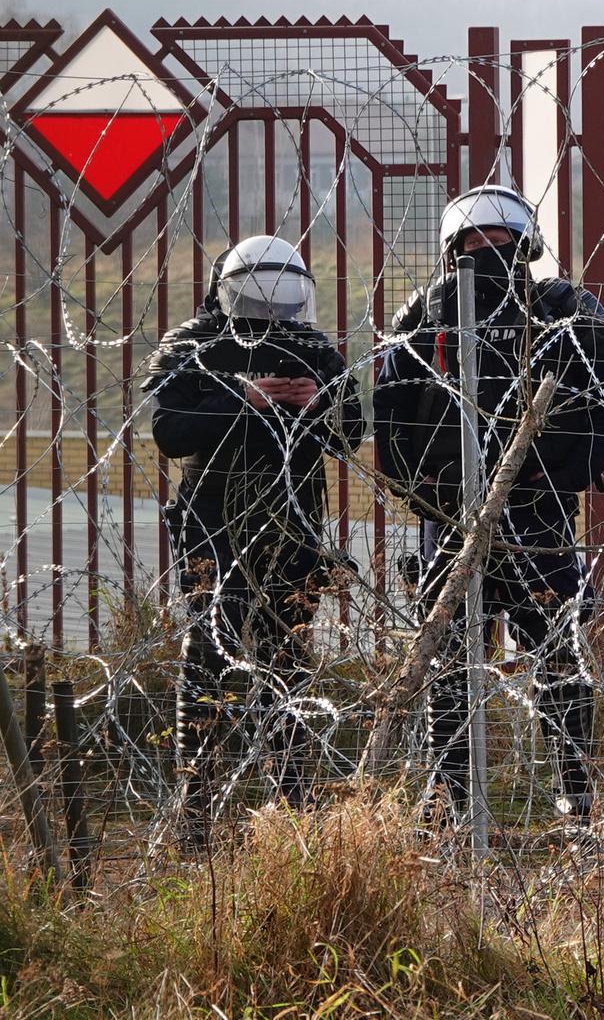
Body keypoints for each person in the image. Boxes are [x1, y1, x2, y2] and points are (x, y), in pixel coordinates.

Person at [372, 184, 604, 821]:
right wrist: (426, 490)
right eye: (472, 242)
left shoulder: (562, 309)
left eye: (500, 241)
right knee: (452, 655)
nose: (486, 252)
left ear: (526, 247)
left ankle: (576, 786)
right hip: (451, 515)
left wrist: (555, 474)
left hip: (540, 510)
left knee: (554, 648)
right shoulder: (425, 316)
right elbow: (389, 415)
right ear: (450, 249)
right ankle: (453, 793)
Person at [144, 235, 365, 845]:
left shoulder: (312, 347)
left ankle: (294, 802)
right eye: (259, 298)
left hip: (293, 526)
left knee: (287, 661)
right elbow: (170, 432)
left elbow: (352, 435)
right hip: (211, 524)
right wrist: (244, 398)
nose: (272, 315)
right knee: (208, 658)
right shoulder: (195, 343)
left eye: (283, 300)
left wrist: (319, 404)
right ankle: (195, 804)